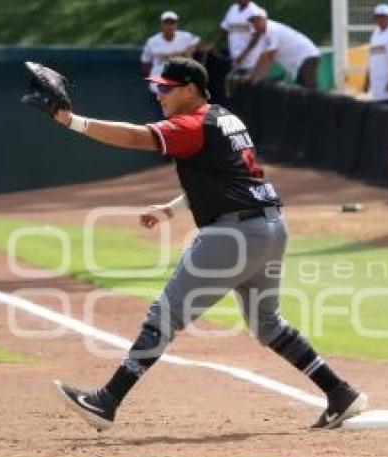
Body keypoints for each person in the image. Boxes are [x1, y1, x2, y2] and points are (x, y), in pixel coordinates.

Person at [33, 58, 367, 432]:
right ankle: (340, 393)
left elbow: (133, 137)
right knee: (268, 324)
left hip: (233, 235)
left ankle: (107, 401)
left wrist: (71, 121)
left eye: (165, 88)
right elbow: (227, 177)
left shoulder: (191, 123)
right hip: (270, 229)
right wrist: (171, 210)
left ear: (189, 89)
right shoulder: (225, 117)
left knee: (165, 315)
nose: (158, 94)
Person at [140, 11, 201, 122]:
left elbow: (197, 42)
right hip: (159, 88)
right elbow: (145, 62)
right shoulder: (152, 41)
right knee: (161, 120)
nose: (169, 25)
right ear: (161, 25)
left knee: (181, 120)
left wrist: (189, 52)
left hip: (180, 87)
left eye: (172, 22)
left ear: (176, 24)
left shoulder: (185, 37)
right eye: (166, 23)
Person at [247, 7, 321, 89]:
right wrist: (254, 75)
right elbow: (263, 57)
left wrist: (257, 78)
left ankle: (320, 101)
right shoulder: (264, 35)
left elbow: (270, 56)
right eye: (252, 22)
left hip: (306, 56)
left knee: (309, 91)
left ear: (264, 19)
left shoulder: (271, 29)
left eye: (257, 21)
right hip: (300, 61)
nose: (254, 24)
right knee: (303, 92)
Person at [217, 0, 263, 77]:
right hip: (235, 58)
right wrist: (215, 44)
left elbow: (256, 36)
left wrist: (243, 55)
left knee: (247, 86)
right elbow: (225, 29)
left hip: (251, 61)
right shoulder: (233, 9)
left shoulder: (255, 11)